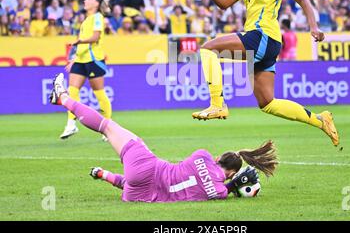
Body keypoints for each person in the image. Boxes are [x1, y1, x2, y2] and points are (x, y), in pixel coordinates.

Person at [190, 0, 340, 147]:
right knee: (267, 103)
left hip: (263, 36)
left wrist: (313, 26)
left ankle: (217, 104)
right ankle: (321, 120)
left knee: (208, 49)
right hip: (262, 41)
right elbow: (223, 3)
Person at [50, 73, 277, 203]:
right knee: (132, 179)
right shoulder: (218, 193)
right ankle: (104, 174)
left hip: (149, 168)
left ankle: (62, 98)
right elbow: (222, 189)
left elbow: (208, 173)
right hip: (139, 195)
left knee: (107, 127)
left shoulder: (203, 155)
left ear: (219, 158)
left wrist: (230, 180)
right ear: (232, 174)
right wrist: (233, 184)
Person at [61, 0, 112, 140]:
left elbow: (95, 38)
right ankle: (71, 124)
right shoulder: (86, 20)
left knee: (99, 94)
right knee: (72, 92)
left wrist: (79, 41)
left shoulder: (97, 18)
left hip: (94, 60)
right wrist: (74, 58)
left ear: (96, 4)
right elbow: (85, 44)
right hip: (81, 59)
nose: (85, 0)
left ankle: (108, 127)